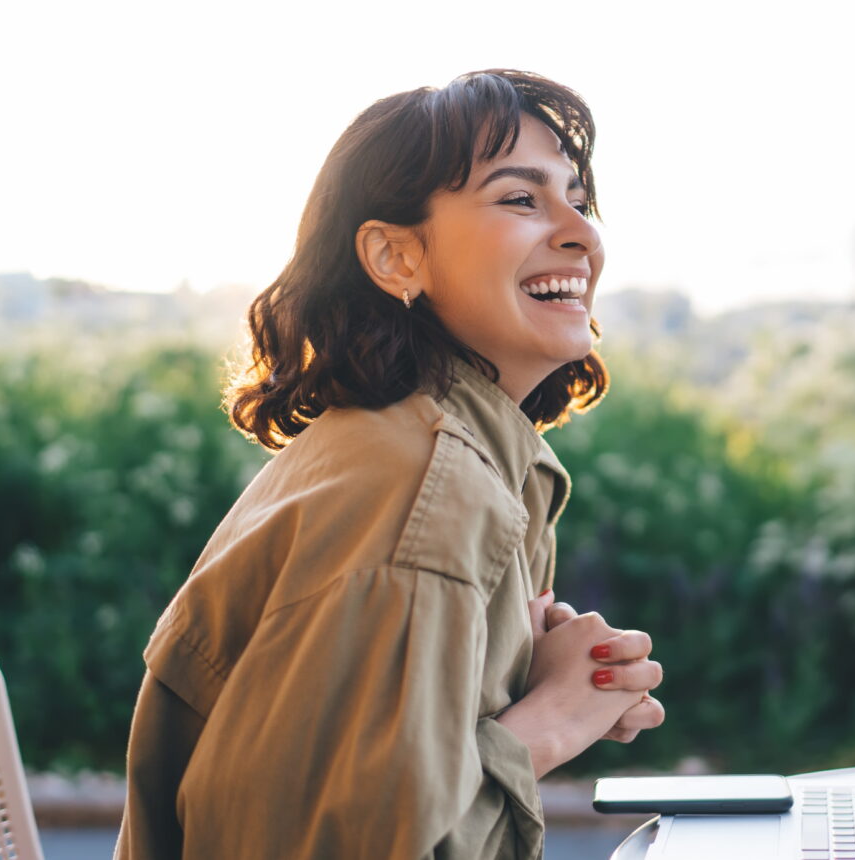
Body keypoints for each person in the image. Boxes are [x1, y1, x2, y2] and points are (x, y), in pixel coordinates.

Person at [114, 69, 665, 860]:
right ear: (395, 258)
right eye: (520, 198)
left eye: (578, 199)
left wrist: (531, 679)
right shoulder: (422, 492)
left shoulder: (414, 449)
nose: (581, 233)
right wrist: (549, 724)